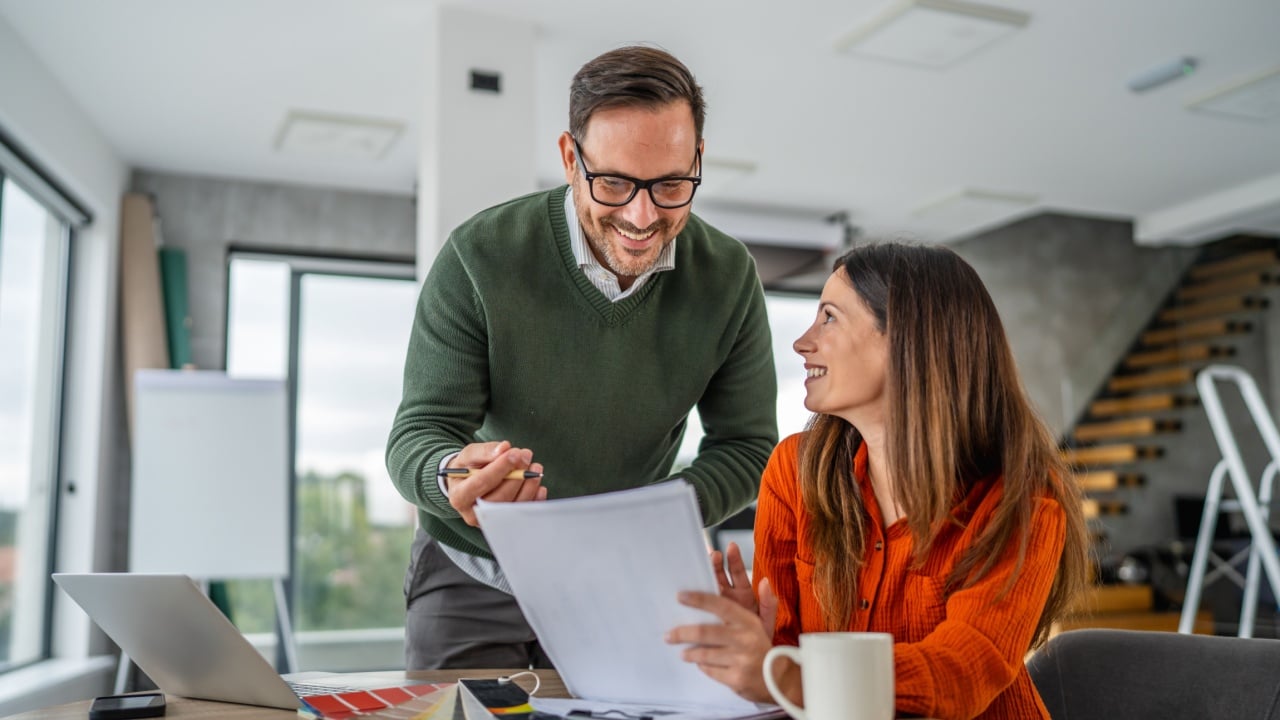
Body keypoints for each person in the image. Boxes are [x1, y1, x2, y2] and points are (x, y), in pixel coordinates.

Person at [386, 45, 778, 670]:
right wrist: (452, 475)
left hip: (624, 580)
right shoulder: (479, 254)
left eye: (672, 184)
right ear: (571, 158)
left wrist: (645, 521)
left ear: (698, 159)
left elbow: (749, 445)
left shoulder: (729, 276)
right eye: (615, 182)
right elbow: (416, 436)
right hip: (473, 573)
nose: (642, 216)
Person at [666, 242, 1090, 719]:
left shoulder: (1020, 497)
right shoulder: (793, 472)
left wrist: (786, 674)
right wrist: (752, 641)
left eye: (829, 317)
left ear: (907, 338)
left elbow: (961, 673)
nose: (803, 342)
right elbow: (781, 661)